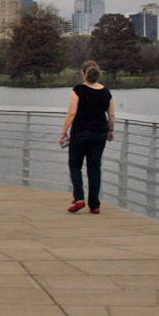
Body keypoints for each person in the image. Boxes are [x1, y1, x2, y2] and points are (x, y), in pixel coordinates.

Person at [58, 61, 115, 213]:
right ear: (97, 75)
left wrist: (64, 133)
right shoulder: (106, 92)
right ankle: (95, 205)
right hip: (99, 134)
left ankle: (79, 198)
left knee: (75, 165)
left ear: (83, 74)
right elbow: (111, 114)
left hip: (80, 133)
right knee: (95, 168)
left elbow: (71, 113)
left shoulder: (78, 90)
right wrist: (110, 130)